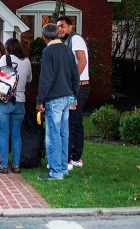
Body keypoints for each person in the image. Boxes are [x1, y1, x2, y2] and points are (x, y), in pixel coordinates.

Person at [36, 23, 80, 180]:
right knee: (63, 133)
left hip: (53, 98)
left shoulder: (48, 52)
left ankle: (55, 172)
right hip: (67, 97)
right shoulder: (68, 50)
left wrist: (40, 100)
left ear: (44, 36)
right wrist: (74, 97)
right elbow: (75, 76)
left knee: (54, 135)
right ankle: (62, 168)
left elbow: (46, 78)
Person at [0, 38, 32, 175]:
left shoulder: (4, 59)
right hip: (20, 101)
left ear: (7, 48)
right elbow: (29, 79)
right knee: (16, 135)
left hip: (3, 100)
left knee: (4, 133)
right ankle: (16, 165)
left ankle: (3, 165)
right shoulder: (26, 61)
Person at [57, 16, 89, 170]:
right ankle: (76, 157)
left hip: (79, 87)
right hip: (78, 86)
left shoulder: (75, 39)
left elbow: (82, 61)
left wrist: (72, 83)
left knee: (71, 121)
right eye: (58, 27)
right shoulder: (69, 41)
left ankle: (69, 158)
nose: (60, 29)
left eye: (63, 26)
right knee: (76, 122)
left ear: (70, 27)